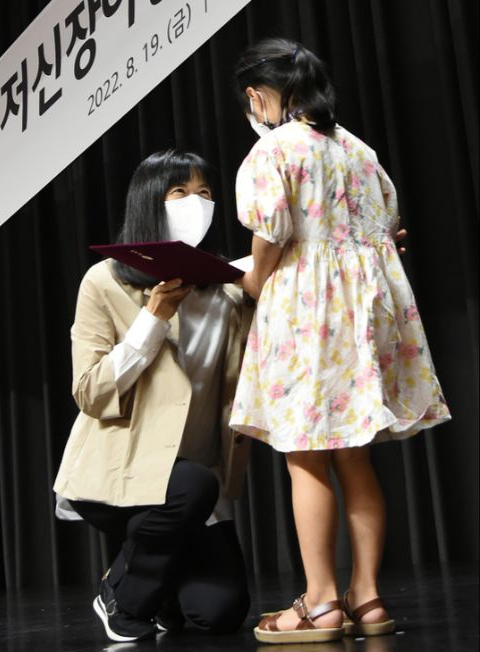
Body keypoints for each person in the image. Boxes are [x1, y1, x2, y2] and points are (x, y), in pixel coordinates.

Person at [229, 37, 451, 645]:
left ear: (257, 95)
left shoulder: (272, 150)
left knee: (305, 453)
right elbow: (388, 226)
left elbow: (271, 233)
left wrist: (250, 279)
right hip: (366, 308)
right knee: (354, 453)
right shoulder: (358, 148)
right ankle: (369, 597)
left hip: (307, 307)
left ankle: (322, 601)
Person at [53, 149, 252, 643]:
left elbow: (292, 269)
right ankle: (122, 596)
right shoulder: (105, 282)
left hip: (194, 484)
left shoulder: (227, 288)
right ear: (149, 202)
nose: (197, 203)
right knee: (189, 485)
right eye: (180, 192)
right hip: (122, 473)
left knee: (219, 613)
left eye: (206, 193)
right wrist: (154, 317)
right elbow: (90, 392)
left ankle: (163, 586)